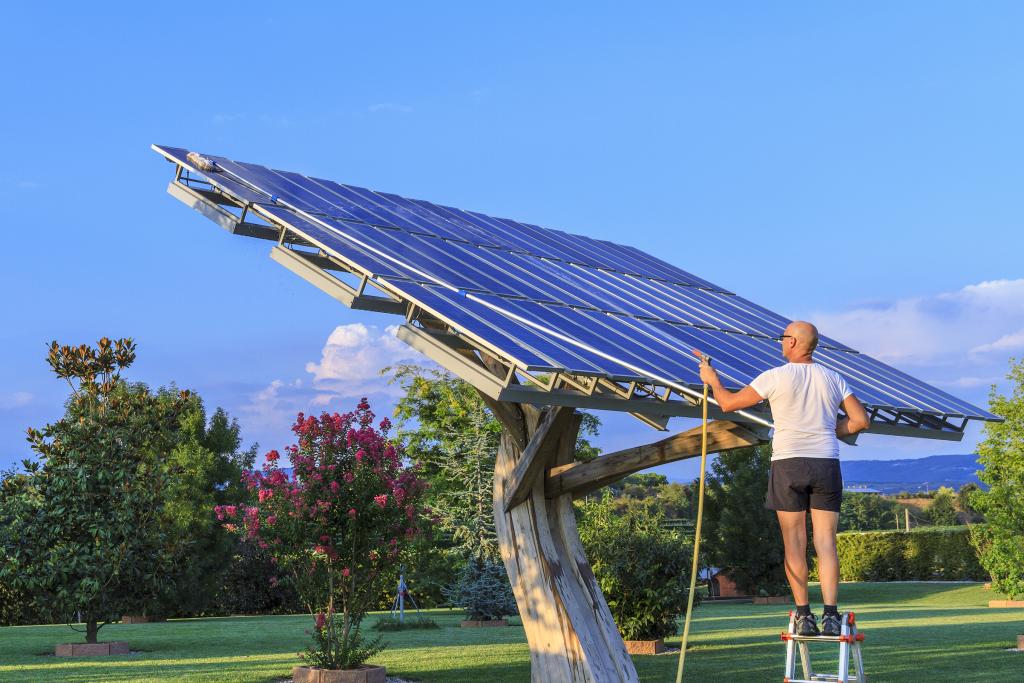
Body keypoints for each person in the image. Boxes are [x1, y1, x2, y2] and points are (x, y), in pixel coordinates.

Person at [692, 321, 870, 636]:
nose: (779, 342)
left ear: (792, 342)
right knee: (826, 543)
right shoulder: (833, 378)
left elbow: (729, 403)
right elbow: (859, 421)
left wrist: (712, 379)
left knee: (795, 543)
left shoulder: (775, 376)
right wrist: (830, 430)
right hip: (826, 463)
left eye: (782, 337)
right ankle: (830, 615)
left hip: (789, 464)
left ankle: (804, 617)